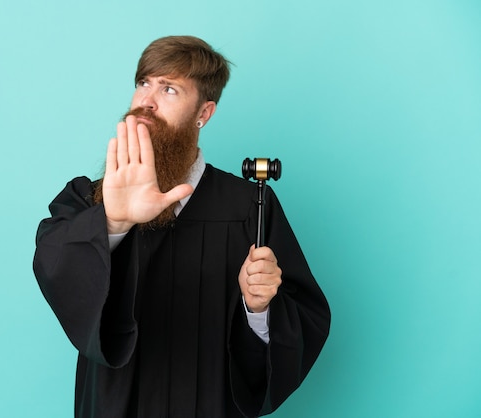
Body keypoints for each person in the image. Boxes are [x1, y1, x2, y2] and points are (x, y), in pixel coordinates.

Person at [33, 35, 330, 418]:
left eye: (169, 88)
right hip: (116, 404)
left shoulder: (248, 206)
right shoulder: (93, 198)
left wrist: (258, 309)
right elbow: (52, 261)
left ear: (203, 113)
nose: (146, 101)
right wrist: (112, 220)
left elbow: (303, 318)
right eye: (143, 83)